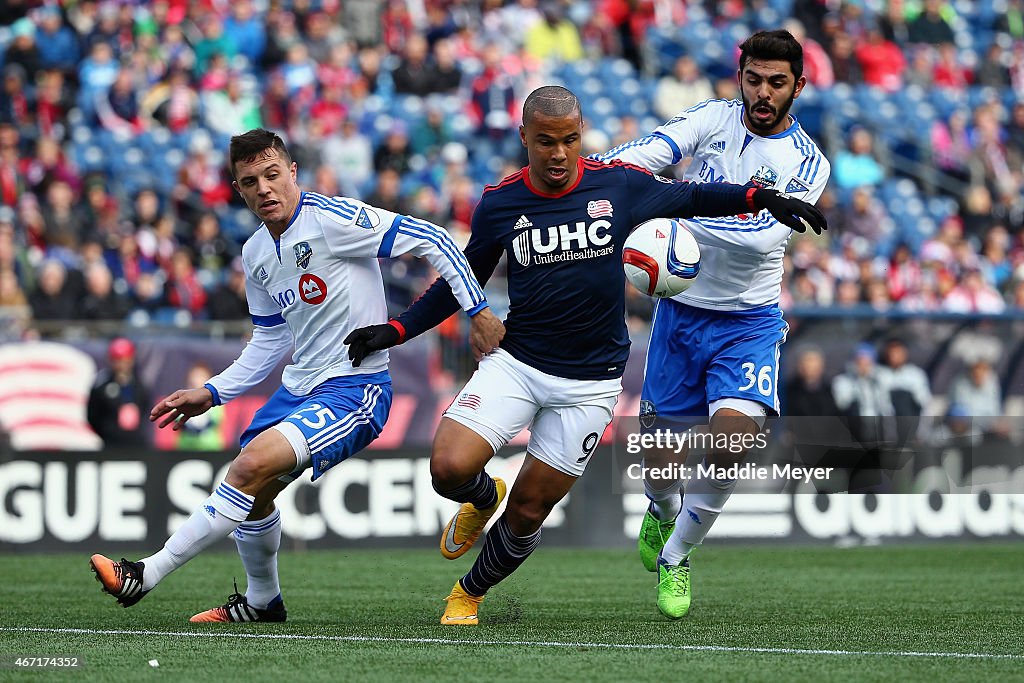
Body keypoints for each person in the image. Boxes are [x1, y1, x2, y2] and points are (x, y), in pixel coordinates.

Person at [344, 85, 826, 625]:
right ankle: (480, 498)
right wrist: (396, 328)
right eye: (545, 141)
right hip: (518, 362)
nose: (558, 154)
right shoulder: (502, 202)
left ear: (582, 137)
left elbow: (692, 197)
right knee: (447, 467)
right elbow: (458, 280)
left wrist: (761, 199)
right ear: (524, 136)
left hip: (591, 384)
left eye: (570, 140)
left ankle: (468, 592)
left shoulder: (618, 185)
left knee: (529, 511)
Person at [89, 128, 502, 622]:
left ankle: (144, 574)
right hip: (297, 389)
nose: (264, 188)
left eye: (271, 175)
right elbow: (269, 340)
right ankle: (263, 602)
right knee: (255, 491)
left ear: (292, 173)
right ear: (238, 191)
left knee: (246, 468)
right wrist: (213, 391)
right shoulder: (255, 253)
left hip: (357, 388)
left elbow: (433, 238)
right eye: (250, 181)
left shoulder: (332, 219)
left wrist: (476, 308)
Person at [593, 30, 831, 618]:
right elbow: (635, 160)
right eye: (754, 79)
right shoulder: (711, 118)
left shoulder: (808, 163)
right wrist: (622, 186)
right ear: (740, 75)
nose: (763, 93)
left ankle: (676, 556)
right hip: (679, 314)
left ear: (798, 86)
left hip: (747, 322)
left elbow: (763, 235)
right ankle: (661, 509)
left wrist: (671, 213)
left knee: (733, 443)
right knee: (660, 464)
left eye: (777, 83)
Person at [87, 337, 150, 448]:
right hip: (110, 444)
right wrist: (107, 432)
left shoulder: (140, 385)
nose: (121, 365)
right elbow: (92, 415)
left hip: (136, 444)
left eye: (125, 360)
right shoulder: (102, 385)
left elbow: (145, 408)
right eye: (117, 360)